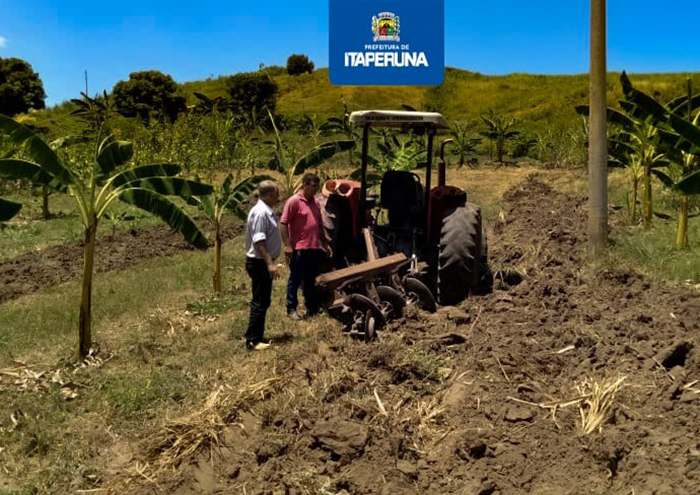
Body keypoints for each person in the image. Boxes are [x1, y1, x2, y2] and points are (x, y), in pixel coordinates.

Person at [280, 173, 331, 320]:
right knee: (295, 279)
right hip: (298, 248)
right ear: (305, 185)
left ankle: (312, 307)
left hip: (313, 247)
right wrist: (288, 245)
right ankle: (291, 309)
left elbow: (319, 225)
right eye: (313, 186)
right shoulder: (294, 201)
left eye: (317, 186)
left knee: (310, 279)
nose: (316, 190)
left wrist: (325, 244)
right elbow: (283, 223)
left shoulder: (315, 203)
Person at [243, 180, 281, 350]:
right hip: (259, 263)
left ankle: (257, 334)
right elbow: (259, 241)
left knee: (263, 300)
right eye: (277, 193)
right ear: (270, 195)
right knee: (259, 301)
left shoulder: (266, 210)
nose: (279, 197)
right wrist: (270, 263)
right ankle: (252, 340)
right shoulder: (260, 213)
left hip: (262, 262)